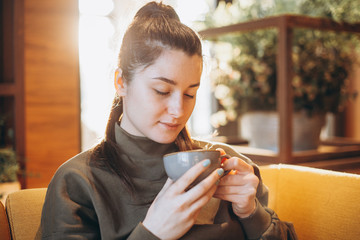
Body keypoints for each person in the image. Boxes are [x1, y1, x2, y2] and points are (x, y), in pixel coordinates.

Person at [39, 2, 297, 239]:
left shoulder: (225, 165)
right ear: (121, 82)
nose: (178, 110)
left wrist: (252, 214)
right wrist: (152, 233)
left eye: (190, 94)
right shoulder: (78, 182)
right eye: (162, 91)